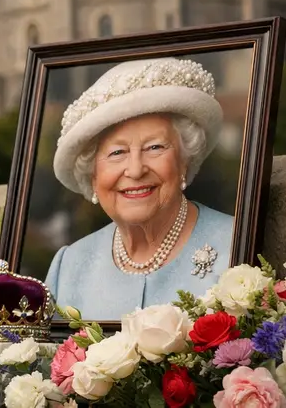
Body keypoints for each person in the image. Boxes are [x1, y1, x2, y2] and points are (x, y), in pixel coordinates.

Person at [44, 57, 236, 320]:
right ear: (93, 177)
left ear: (184, 161)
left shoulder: (235, 244)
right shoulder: (68, 266)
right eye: (117, 152)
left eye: (154, 147)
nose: (135, 170)